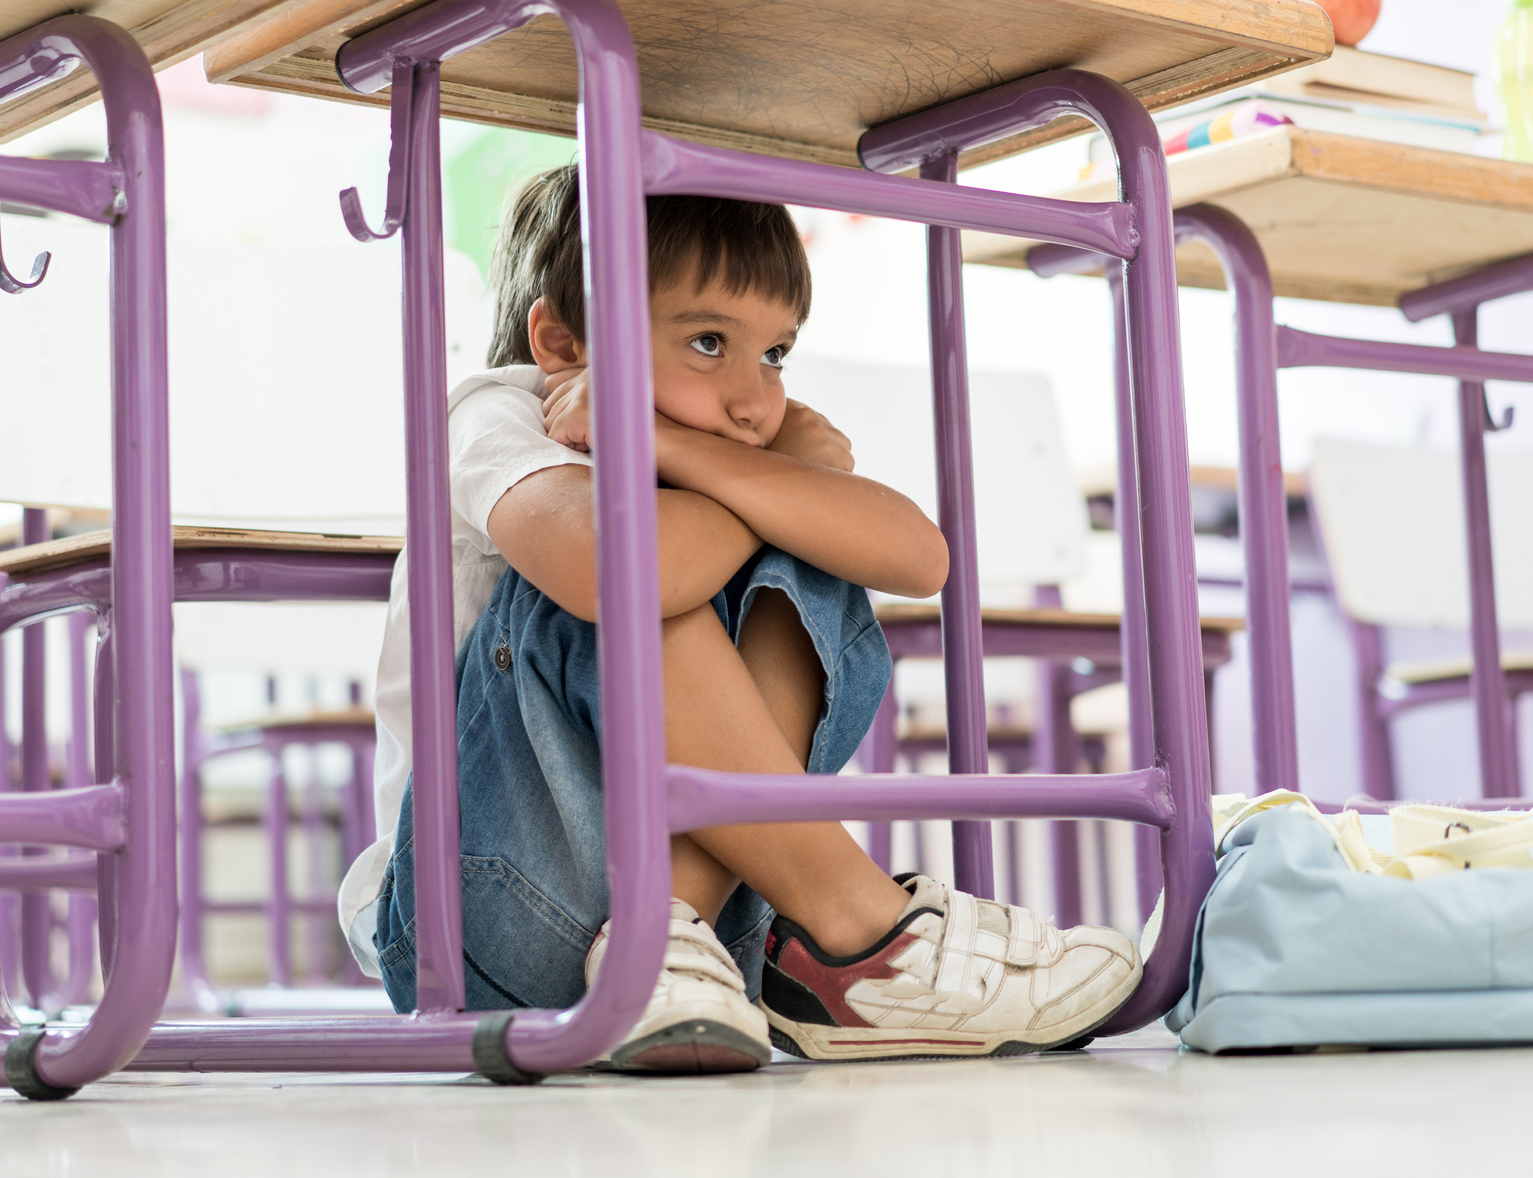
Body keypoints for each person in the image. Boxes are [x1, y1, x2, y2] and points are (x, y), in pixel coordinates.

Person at [343, 165, 1142, 1072]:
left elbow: (920, 559)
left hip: (709, 946)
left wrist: (681, 447)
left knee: (809, 549)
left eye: (775, 354)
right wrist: (776, 486)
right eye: (709, 341)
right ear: (564, 343)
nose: (754, 398)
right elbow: (612, 577)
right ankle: (858, 931)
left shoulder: (710, 435)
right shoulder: (502, 411)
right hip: (474, 913)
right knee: (639, 560)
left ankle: (665, 940)